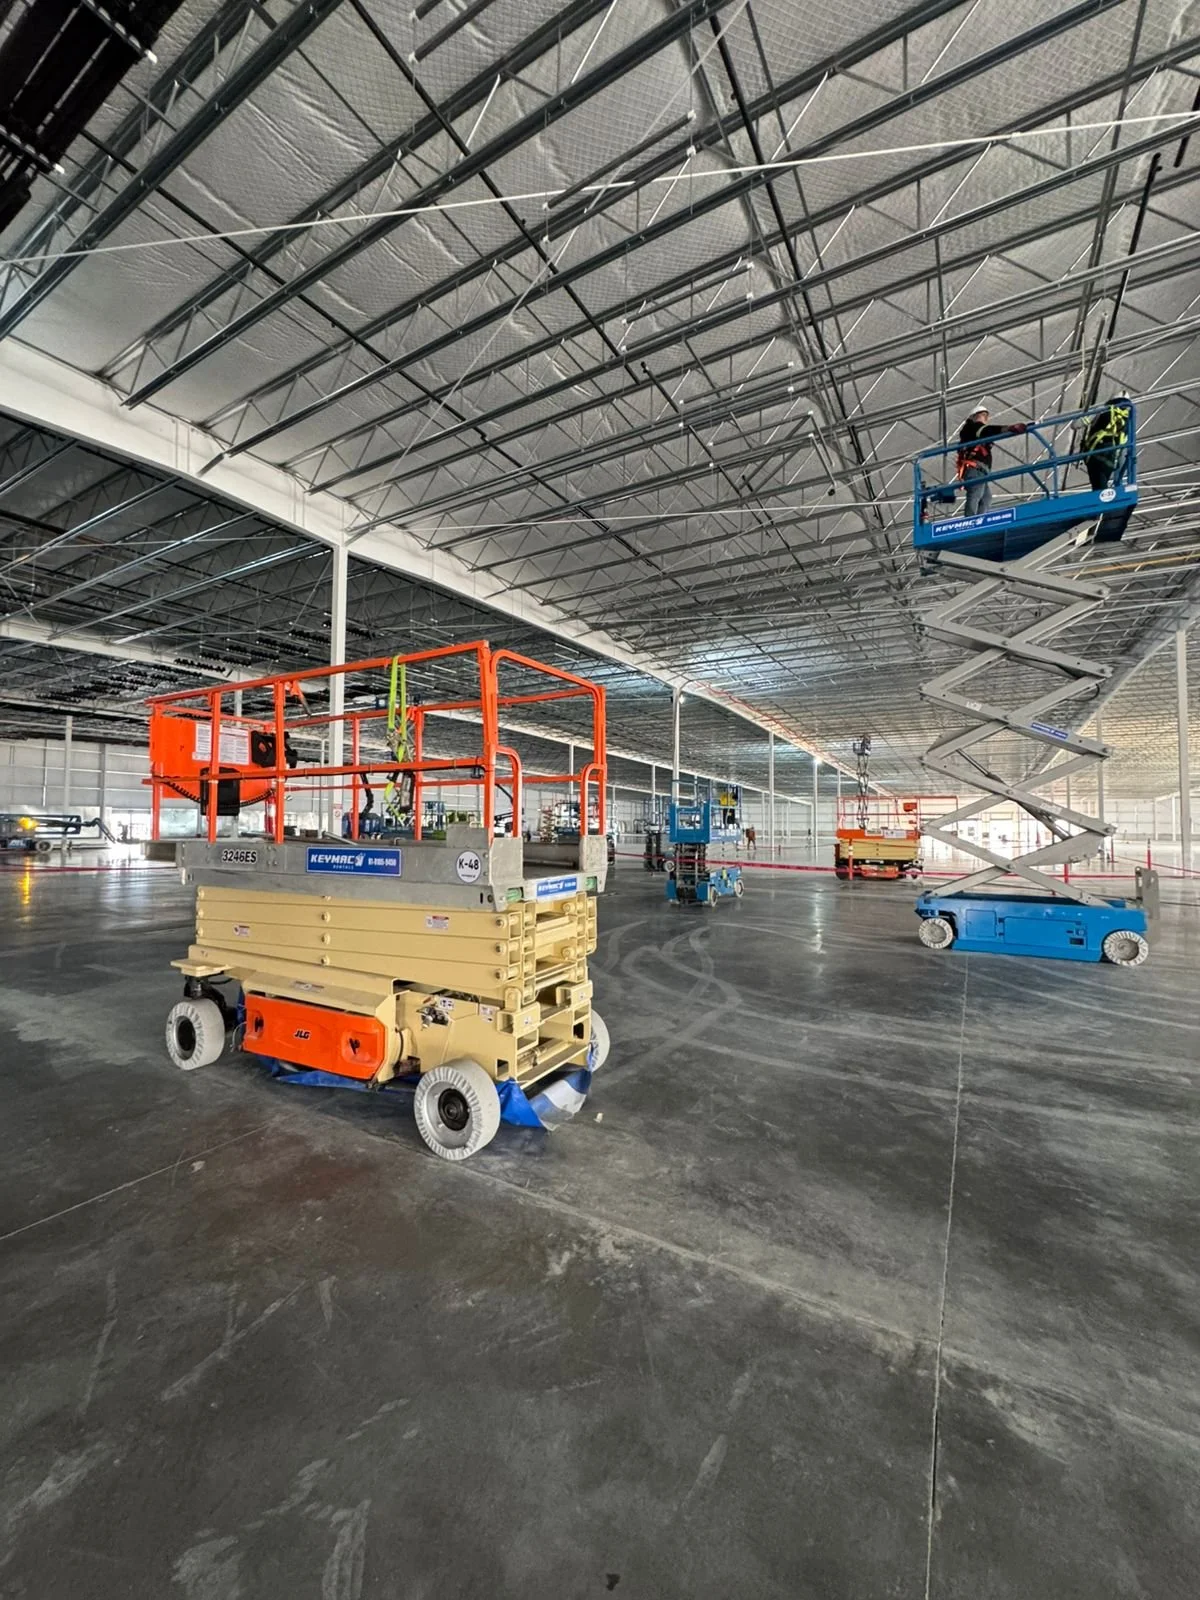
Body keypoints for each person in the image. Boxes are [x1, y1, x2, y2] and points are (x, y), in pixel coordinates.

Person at [956, 403, 1029, 517]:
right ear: (973, 417)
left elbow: (986, 431)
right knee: (976, 493)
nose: (984, 418)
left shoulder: (975, 432)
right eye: (982, 415)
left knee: (986, 498)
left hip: (980, 470)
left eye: (985, 416)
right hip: (975, 468)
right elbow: (987, 430)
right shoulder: (971, 428)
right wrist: (1008, 428)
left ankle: (979, 519)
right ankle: (970, 520)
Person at [1081, 397, 1132, 492]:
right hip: (1111, 458)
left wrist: (1090, 413)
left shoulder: (1103, 411)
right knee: (1101, 482)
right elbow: (1123, 449)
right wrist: (1119, 475)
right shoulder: (1128, 421)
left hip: (1094, 453)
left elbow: (1075, 425)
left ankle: (1102, 496)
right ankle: (1104, 495)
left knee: (1097, 484)